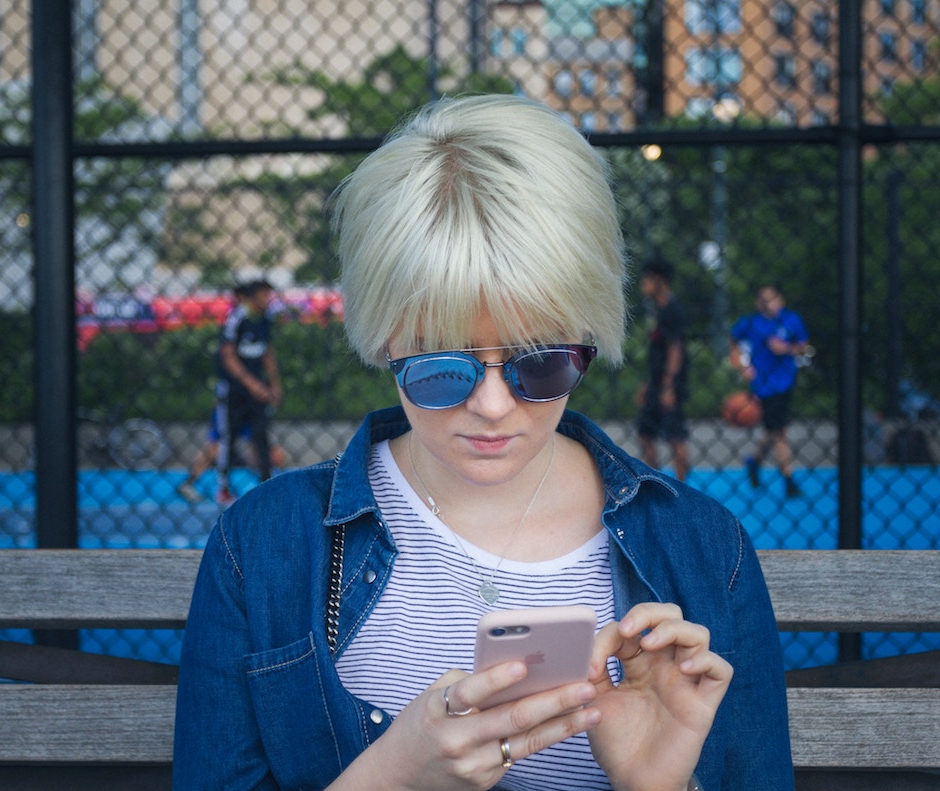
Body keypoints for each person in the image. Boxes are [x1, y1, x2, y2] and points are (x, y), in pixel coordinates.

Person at [174, 95, 793, 790]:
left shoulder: (708, 550)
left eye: (541, 362)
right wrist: (394, 772)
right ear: (384, 338)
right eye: (443, 369)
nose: (493, 406)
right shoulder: (261, 544)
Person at [729, 285, 810, 498]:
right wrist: (742, 366)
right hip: (762, 384)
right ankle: (789, 480)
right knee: (780, 430)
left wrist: (787, 349)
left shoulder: (791, 320)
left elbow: (804, 345)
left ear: (780, 300)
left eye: (772, 299)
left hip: (785, 381)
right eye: (763, 300)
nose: (768, 303)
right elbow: (733, 341)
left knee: (773, 429)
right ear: (758, 303)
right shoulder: (750, 322)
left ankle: (754, 462)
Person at [214, 279, 283, 507]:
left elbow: (268, 353)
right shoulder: (236, 318)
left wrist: (273, 384)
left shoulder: (264, 320)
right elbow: (228, 356)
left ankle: (266, 484)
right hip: (234, 391)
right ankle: (223, 487)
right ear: (252, 297)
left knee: (261, 437)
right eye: (263, 295)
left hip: (257, 393)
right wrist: (252, 384)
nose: (267, 300)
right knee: (229, 437)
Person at [635, 257, 690, 481]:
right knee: (645, 432)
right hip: (658, 383)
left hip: (670, 385)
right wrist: (650, 384)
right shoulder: (659, 310)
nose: (643, 284)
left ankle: (682, 487)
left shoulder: (672, 311)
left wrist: (668, 387)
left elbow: (675, 350)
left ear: (659, 280)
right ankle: (658, 480)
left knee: (675, 436)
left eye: (647, 279)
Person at [177, 408, 287, 503]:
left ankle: (269, 485)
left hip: (252, 407)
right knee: (216, 446)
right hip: (233, 403)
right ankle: (190, 483)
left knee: (274, 455)